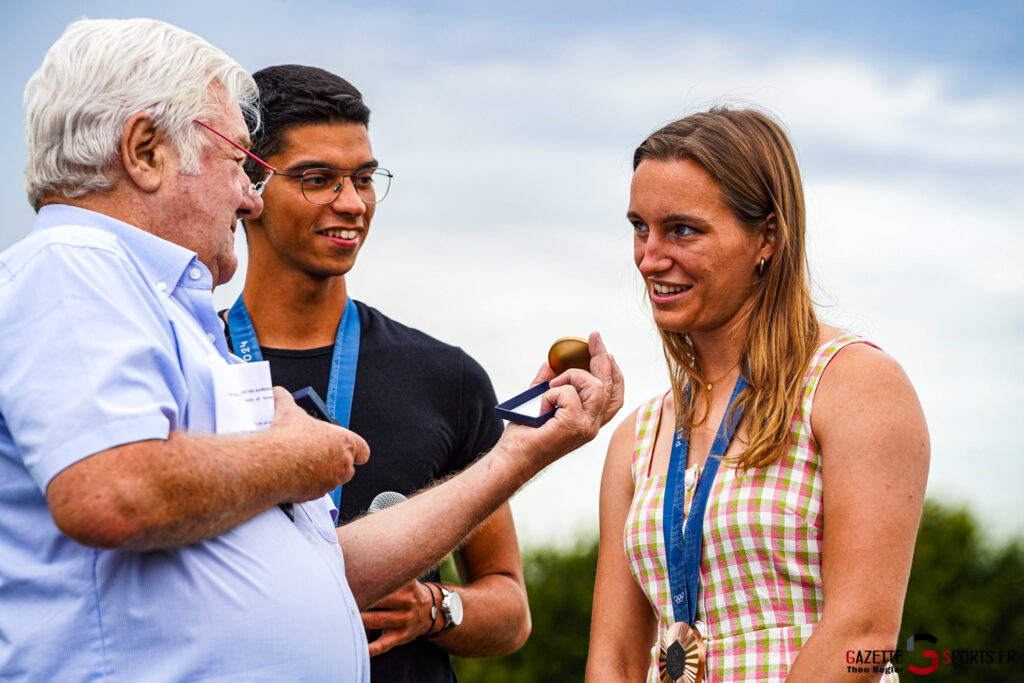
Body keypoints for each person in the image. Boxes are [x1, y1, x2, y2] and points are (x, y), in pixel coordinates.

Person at [0, 18, 622, 682]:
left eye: (364, 178)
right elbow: (112, 491)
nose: (248, 195)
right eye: (241, 163)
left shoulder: (160, 314)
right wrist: (292, 456)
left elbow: (331, 571)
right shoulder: (70, 266)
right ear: (145, 150)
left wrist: (520, 453)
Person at [586, 108, 928, 683]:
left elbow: (865, 635)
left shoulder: (854, 385)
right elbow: (613, 660)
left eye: (682, 230)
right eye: (640, 227)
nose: (649, 257)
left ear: (766, 235)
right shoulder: (637, 436)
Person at [223, 64, 529, 681]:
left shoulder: (448, 378)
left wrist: (436, 609)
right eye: (318, 180)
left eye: (363, 178)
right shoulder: (192, 364)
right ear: (248, 185)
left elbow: (510, 608)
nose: (353, 203)